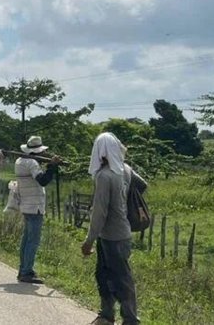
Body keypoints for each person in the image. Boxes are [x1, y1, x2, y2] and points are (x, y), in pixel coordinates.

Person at [81, 132, 146, 325]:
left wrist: (89, 240)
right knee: (114, 276)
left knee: (115, 277)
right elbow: (143, 185)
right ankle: (110, 315)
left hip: (109, 236)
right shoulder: (125, 169)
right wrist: (123, 202)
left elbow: (99, 212)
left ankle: (127, 318)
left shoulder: (104, 176)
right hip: (122, 233)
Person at [14, 136, 61, 284]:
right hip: (35, 206)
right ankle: (26, 271)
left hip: (26, 204)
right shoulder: (32, 163)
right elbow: (43, 180)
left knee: (26, 239)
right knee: (33, 241)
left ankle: (24, 269)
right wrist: (52, 166)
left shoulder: (20, 161)